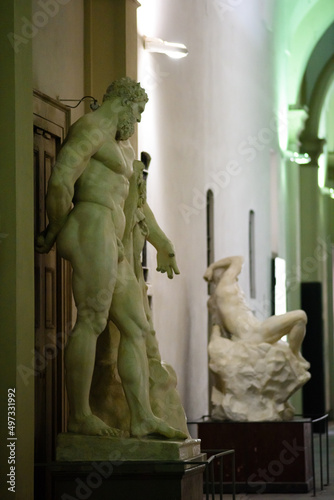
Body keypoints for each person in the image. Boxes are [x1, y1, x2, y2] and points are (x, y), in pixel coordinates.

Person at [36, 77, 186, 440]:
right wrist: (55, 229)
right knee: (91, 320)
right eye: (137, 112)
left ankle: (142, 418)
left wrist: (161, 242)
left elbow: (136, 202)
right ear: (125, 102)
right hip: (92, 225)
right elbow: (60, 180)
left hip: (114, 238)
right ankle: (80, 415)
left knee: (136, 328)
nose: (136, 121)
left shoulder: (123, 145)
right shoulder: (92, 127)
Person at [204, 255, 309, 364]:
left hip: (255, 331)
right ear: (223, 275)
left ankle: (293, 354)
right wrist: (211, 267)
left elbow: (218, 329)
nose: (236, 277)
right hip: (254, 333)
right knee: (300, 317)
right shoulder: (226, 286)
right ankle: (294, 354)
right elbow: (238, 259)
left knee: (299, 318)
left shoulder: (220, 298)